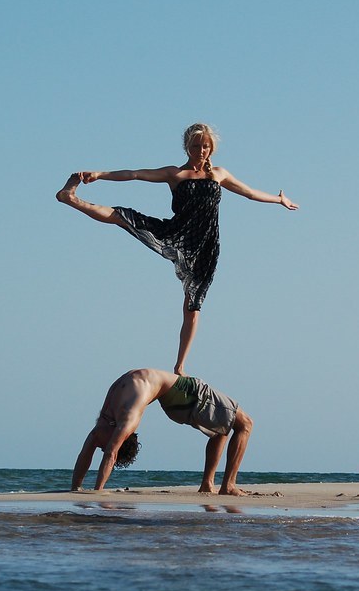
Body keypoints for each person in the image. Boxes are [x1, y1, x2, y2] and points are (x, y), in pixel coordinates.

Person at [56, 123, 298, 375]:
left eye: (205, 146)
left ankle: (180, 365)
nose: (201, 150)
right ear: (187, 147)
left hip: (206, 245)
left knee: (193, 306)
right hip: (177, 233)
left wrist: (279, 199)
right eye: (196, 146)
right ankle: (70, 198)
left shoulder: (219, 174)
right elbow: (135, 174)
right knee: (123, 217)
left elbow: (249, 193)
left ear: (211, 147)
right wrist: (100, 174)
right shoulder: (175, 174)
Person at [70, 368, 254, 496]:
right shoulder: (127, 419)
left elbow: (97, 450)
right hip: (182, 393)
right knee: (245, 424)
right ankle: (228, 485)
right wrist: (98, 491)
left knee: (221, 428)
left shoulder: (102, 424)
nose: (103, 445)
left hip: (172, 398)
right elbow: (111, 452)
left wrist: (77, 488)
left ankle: (208, 483)